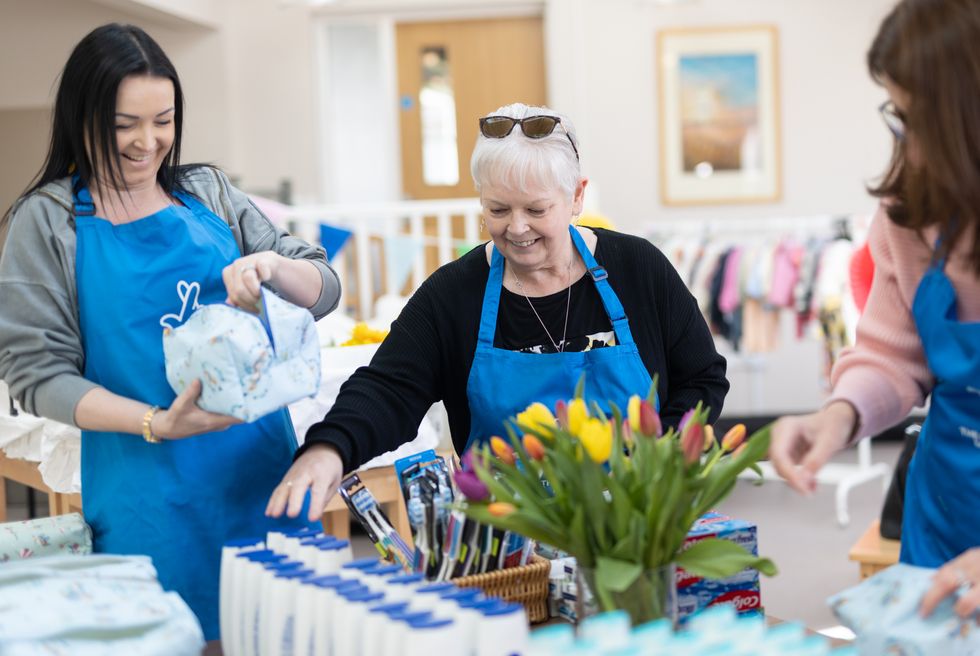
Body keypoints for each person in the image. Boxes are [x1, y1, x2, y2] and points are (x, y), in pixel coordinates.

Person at [0, 24, 341, 639]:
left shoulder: (206, 192)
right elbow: (36, 377)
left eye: (164, 119)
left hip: (259, 475)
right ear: (82, 116)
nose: (148, 142)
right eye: (124, 123)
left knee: (281, 635)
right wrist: (158, 423)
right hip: (147, 492)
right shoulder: (47, 222)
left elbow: (324, 288)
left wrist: (274, 269)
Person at [266, 102, 729, 523]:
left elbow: (701, 378)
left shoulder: (638, 269)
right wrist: (329, 447)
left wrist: (659, 461)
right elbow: (389, 389)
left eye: (536, 208)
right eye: (498, 209)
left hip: (640, 522)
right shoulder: (453, 294)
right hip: (507, 540)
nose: (517, 227)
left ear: (577, 197)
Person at [769, 0, 980, 620]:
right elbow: (892, 353)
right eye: (898, 118)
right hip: (947, 511)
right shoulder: (911, 209)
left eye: (922, 123)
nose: (910, 151)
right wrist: (839, 415)